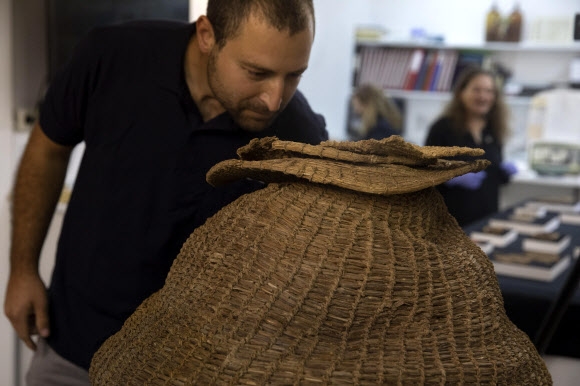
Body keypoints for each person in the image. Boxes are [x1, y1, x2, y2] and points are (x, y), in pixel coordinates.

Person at [4, 1, 327, 384]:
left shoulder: (298, 136)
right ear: (207, 35)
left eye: (294, 76)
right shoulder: (112, 56)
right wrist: (23, 268)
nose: (274, 98)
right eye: (257, 72)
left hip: (193, 369)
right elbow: (49, 150)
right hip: (74, 349)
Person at [425, 66, 517, 227]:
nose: (483, 96)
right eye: (476, 90)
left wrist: (503, 174)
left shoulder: (493, 130)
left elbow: (492, 175)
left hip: (487, 219)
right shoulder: (443, 128)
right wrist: (450, 178)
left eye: (489, 91)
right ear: (461, 93)